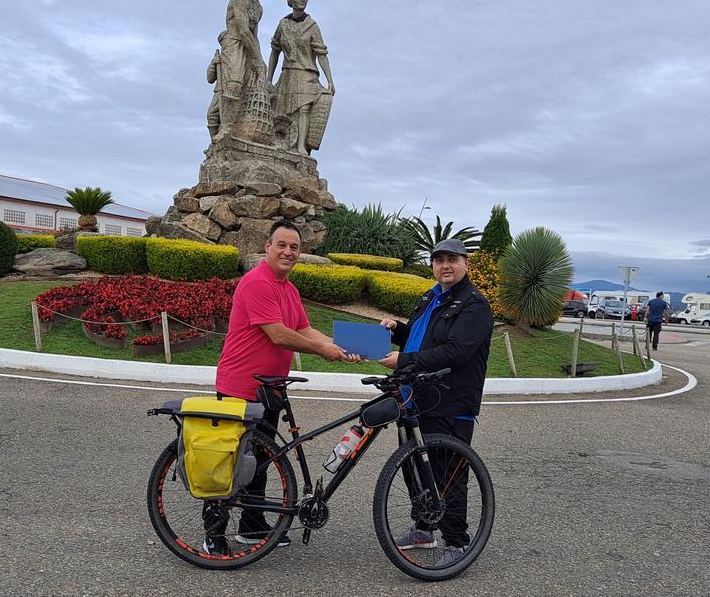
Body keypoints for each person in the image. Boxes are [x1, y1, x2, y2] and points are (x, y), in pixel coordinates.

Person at [203, 220, 359, 556]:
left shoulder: (288, 288)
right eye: (282, 245)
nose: (288, 251)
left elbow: (304, 328)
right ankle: (213, 532)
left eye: (294, 247)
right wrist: (322, 350)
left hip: (269, 388)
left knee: (259, 461)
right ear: (268, 247)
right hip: (241, 386)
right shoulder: (257, 283)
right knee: (231, 462)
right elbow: (279, 334)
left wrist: (338, 346)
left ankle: (251, 526)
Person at [377, 238, 493, 567]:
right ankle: (424, 528)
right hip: (417, 396)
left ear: (465, 264)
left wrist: (403, 361)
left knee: (449, 473)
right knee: (415, 468)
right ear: (432, 265)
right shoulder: (432, 296)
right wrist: (396, 329)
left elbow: (456, 351)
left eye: (452, 259)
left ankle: (457, 542)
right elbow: (421, 335)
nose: (445, 265)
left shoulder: (474, 305)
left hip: (450, 401)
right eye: (439, 259)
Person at [266, 0, 334, 154]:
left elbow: (321, 54)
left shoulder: (312, 26)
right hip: (288, 75)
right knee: (281, 112)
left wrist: (330, 81)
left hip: (307, 74)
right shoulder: (283, 25)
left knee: (304, 109)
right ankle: (284, 145)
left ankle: (301, 147)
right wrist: (268, 79)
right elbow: (275, 51)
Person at [215, 0, 267, 142]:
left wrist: (260, 59)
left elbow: (254, 35)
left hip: (248, 46)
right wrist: (257, 58)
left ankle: (237, 130)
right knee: (234, 85)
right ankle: (226, 130)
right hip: (235, 44)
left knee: (247, 87)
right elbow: (244, 32)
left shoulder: (257, 5)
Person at [205, 31, 228, 140]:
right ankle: (214, 143)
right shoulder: (219, 59)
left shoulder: (239, 55)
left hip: (234, 90)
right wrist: (214, 63)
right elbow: (210, 79)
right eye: (223, 43)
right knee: (212, 115)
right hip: (219, 91)